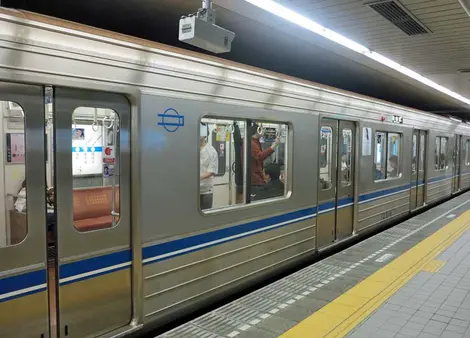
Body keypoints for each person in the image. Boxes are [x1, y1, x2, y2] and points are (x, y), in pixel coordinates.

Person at [244, 123, 280, 195]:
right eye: (261, 129)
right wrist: (274, 146)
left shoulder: (255, 142)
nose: (263, 131)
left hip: (257, 179)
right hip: (255, 180)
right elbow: (260, 156)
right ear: (257, 130)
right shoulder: (252, 143)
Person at [200, 123, 218, 210]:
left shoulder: (211, 151)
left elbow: (210, 171)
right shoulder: (189, 148)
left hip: (205, 192)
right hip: (191, 191)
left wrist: (195, 178)